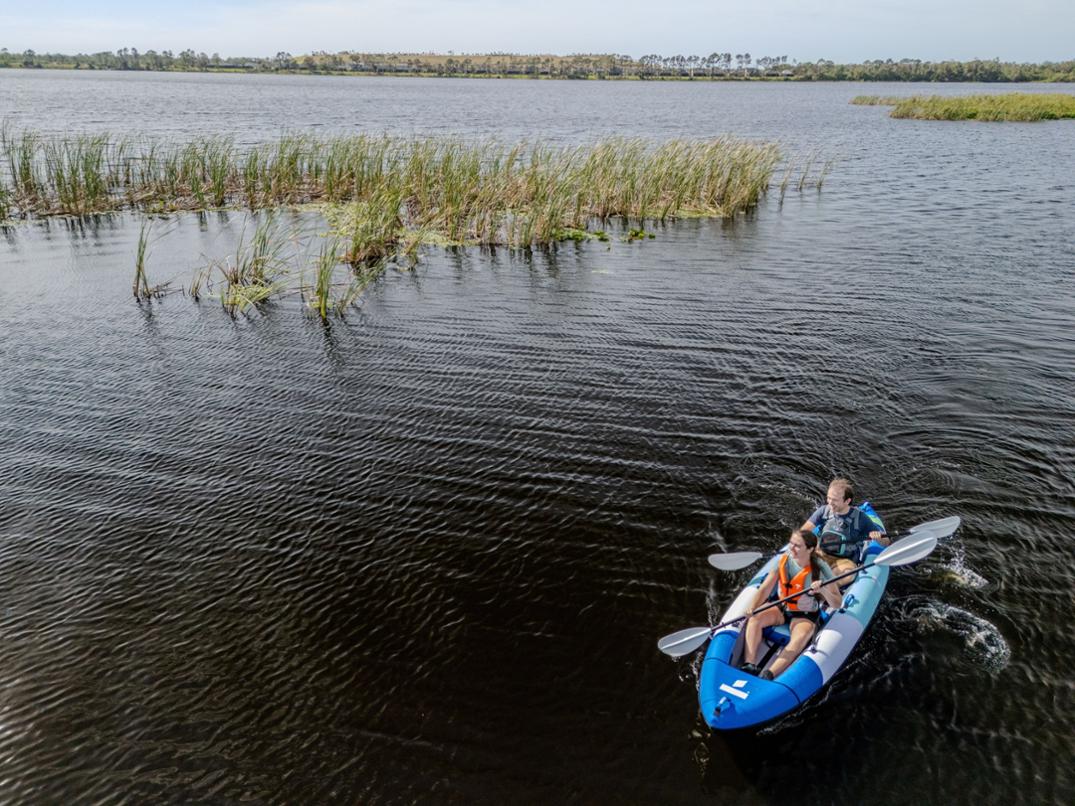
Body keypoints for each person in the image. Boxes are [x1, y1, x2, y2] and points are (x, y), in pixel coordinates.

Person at [739, 530, 843, 679]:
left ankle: (769, 674)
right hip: (782, 607)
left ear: (810, 549)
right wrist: (753, 607)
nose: (791, 548)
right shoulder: (783, 560)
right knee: (755, 618)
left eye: (797, 546)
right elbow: (764, 590)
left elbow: (838, 603)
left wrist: (823, 590)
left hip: (805, 615)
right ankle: (749, 665)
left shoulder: (820, 567)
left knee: (799, 638)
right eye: (791, 544)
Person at [801, 478, 887, 578]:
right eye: (829, 498)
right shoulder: (824, 511)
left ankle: (827, 588)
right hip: (822, 554)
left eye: (835, 500)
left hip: (845, 561)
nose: (830, 503)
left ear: (847, 501)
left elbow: (886, 541)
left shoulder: (861, 518)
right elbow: (804, 531)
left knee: (847, 574)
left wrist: (878, 537)